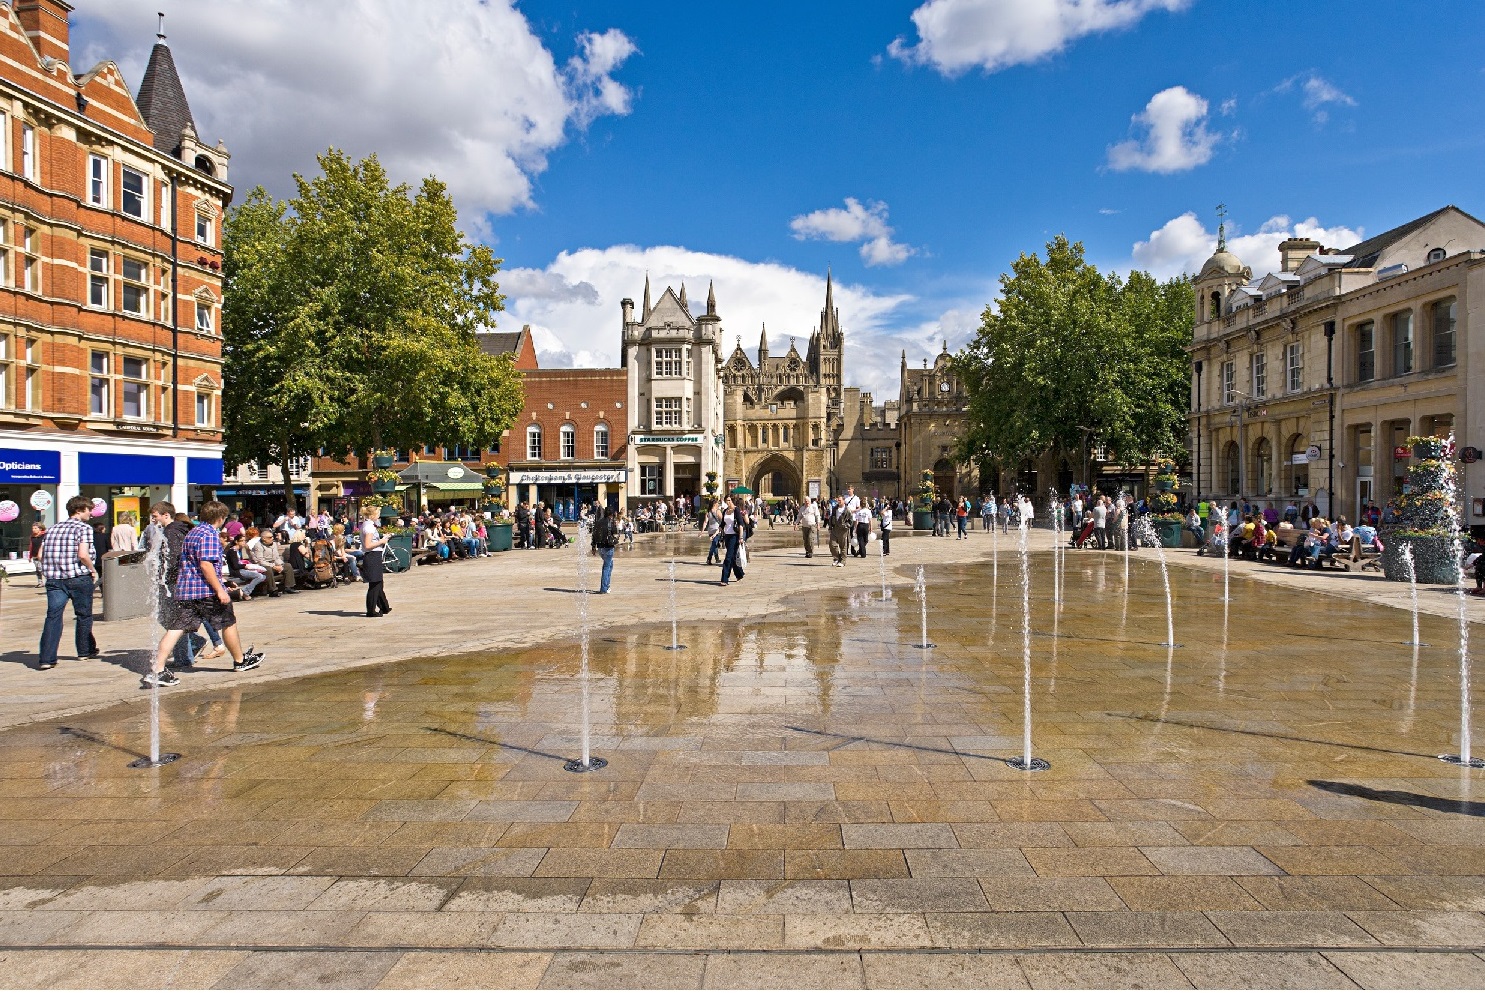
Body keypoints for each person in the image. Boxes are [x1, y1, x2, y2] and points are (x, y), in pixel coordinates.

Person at [143, 501, 261, 689]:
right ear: (221, 518)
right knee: (227, 621)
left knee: (176, 628)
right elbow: (206, 565)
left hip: (186, 590)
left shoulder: (192, 533)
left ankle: (157, 670)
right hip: (205, 590)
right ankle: (240, 661)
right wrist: (220, 590)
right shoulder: (209, 535)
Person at [36, 495, 100, 671]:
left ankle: (47, 658)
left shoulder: (52, 529)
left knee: (53, 616)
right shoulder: (83, 528)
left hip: (55, 579)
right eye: (89, 510)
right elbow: (83, 555)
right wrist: (92, 569)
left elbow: (40, 555)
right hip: (78, 576)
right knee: (83, 615)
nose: (91, 514)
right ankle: (84, 651)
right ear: (79, 510)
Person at [359, 505, 391, 617]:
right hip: (372, 555)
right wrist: (382, 541)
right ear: (373, 515)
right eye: (377, 514)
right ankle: (371, 611)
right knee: (375, 584)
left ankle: (384, 607)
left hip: (373, 555)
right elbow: (368, 545)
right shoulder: (369, 527)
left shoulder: (368, 525)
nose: (378, 516)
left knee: (378, 582)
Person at [719, 496, 746, 585]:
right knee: (733, 557)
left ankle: (724, 579)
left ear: (732, 501)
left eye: (729, 500)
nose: (728, 502)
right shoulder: (725, 511)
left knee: (728, 557)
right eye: (726, 500)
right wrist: (716, 533)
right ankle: (740, 574)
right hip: (727, 536)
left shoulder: (736, 510)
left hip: (734, 536)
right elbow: (722, 524)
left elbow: (740, 524)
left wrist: (741, 537)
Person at [592, 505, 618, 593]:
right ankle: (604, 588)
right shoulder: (611, 522)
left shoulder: (598, 522)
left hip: (600, 547)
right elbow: (615, 532)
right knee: (606, 567)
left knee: (610, 564)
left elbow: (594, 534)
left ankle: (607, 584)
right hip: (608, 547)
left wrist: (593, 546)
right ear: (611, 514)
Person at [828, 496, 852, 567]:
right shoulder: (835, 508)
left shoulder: (847, 510)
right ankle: (836, 558)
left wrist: (846, 525)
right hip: (835, 529)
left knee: (843, 546)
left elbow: (850, 521)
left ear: (843, 501)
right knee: (832, 544)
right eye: (838, 500)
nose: (839, 502)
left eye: (840, 500)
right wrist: (830, 527)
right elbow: (831, 517)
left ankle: (843, 561)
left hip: (843, 530)